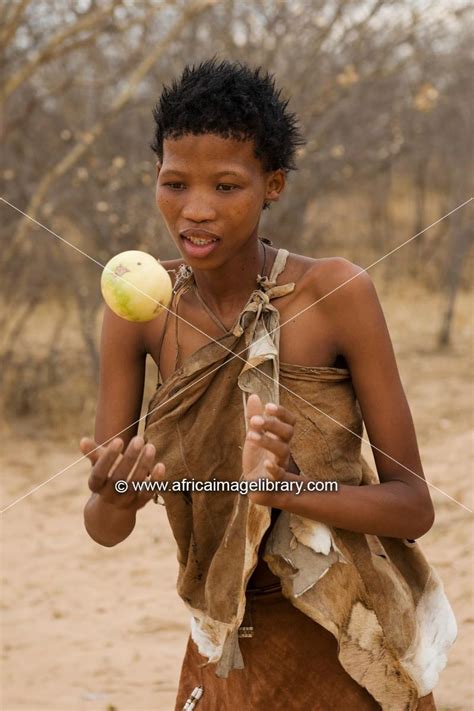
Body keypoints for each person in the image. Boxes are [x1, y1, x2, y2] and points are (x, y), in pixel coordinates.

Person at [80, 58, 456, 710]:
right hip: (220, 630)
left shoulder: (335, 295)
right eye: (175, 183)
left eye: (226, 186)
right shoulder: (138, 312)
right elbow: (105, 526)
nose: (195, 210)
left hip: (339, 629)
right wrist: (116, 493)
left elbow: (412, 505)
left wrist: (283, 489)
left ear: (272, 184)